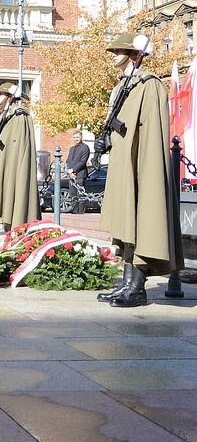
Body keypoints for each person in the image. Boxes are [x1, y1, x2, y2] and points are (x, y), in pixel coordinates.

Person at [98, 33, 180, 308]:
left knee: (140, 218)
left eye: (120, 50)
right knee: (126, 221)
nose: (114, 55)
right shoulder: (124, 85)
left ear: (136, 54)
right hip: (123, 161)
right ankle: (125, 282)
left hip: (141, 162)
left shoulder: (149, 84)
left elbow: (152, 130)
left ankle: (137, 288)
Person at [0, 82, 41, 231]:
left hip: (14, 165)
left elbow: (19, 147)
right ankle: (7, 227)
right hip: (6, 164)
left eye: (1, 94)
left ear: (10, 97)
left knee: (14, 190)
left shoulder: (19, 115)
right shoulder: (7, 115)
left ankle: (14, 227)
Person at [66, 130, 90, 214]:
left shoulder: (85, 147)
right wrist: (70, 171)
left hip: (80, 175)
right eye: (74, 137)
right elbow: (68, 161)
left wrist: (74, 170)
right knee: (73, 194)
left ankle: (80, 213)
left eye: (77, 137)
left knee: (81, 195)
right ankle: (74, 212)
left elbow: (83, 162)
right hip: (71, 175)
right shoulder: (72, 148)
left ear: (81, 137)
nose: (76, 139)